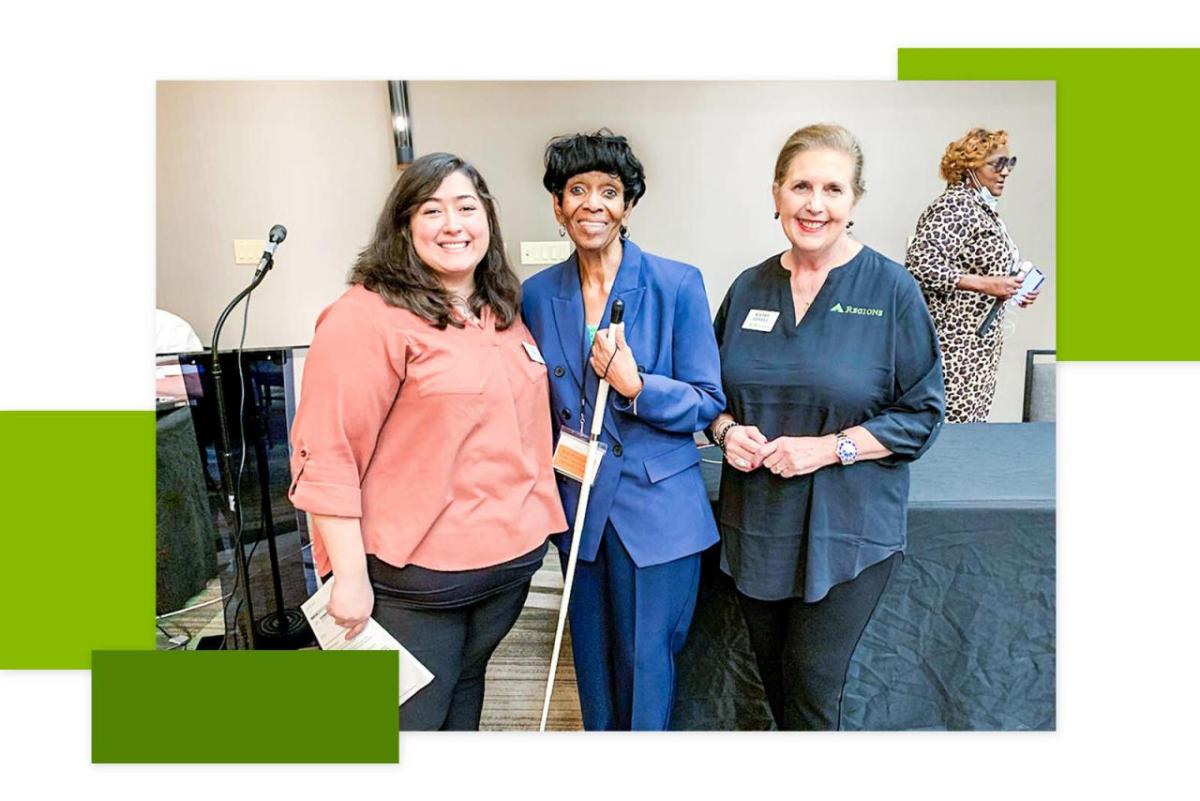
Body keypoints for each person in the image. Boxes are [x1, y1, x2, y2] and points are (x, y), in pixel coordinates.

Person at [288, 152, 566, 731]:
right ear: (404, 225)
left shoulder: (502, 311)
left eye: (467, 207)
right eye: (432, 209)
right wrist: (348, 579)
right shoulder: (365, 317)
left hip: (505, 570)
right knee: (403, 729)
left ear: (488, 218)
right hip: (413, 584)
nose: (453, 224)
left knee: (464, 704)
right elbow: (328, 451)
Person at [710, 123, 944, 730]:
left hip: (848, 531)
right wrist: (724, 431)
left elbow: (920, 414)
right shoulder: (747, 287)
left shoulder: (892, 291)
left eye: (833, 189)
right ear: (777, 194)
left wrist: (829, 449)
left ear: (854, 201)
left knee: (813, 690)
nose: (815, 204)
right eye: (801, 186)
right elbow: (710, 396)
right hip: (757, 526)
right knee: (775, 685)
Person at [521, 130, 725, 731]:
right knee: (592, 665)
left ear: (628, 205)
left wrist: (639, 387)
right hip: (580, 506)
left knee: (644, 664)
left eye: (608, 191)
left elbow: (707, 402)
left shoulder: (676, 284)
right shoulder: (536, 294)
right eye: (576, 190)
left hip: (654, 511)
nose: (592, 204)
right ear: (558, 206)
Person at [905, 127, 1040, 423]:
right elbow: (919, 263)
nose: (1005, 172)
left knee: (971, 429)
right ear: (969, 168)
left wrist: (1015, 288)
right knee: (952, 432)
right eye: (997, 164)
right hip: (954, 347)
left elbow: (979, 269)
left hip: (978, 347)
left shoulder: (984, 209)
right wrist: (988, 285)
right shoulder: (955, 206)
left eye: (1010, 163)